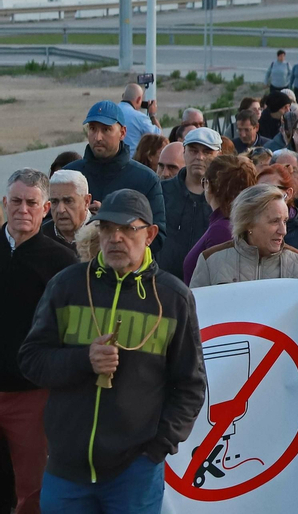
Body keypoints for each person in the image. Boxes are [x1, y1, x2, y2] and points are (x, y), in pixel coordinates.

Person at [18, 189, 205, 514]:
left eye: (127, 229)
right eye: (107, 228)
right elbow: (31, 360)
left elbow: (190, 384)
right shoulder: (67, 285)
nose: (115, 238)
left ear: (150, 234)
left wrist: (157, 447)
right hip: (67, 468)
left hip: (134, 472)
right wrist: (83, 359)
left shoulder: (173, 297)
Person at [1, 168, 79, 514]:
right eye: (16, 201)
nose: (23, 209)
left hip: (33, 395)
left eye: (31, 203)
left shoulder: (62, 262)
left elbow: (72, 330)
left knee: (32, 489)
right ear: (5, 203)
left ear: (45, 208)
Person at [64, 101, 167, 258]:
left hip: (125, 269)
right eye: (93, 129)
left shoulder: (146, 179)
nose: (98, 137)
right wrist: (76, 219)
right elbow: (48, 226)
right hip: (73, 266)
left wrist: (114, 221)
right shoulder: (69, 174)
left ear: (122, 132)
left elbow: (157, 238)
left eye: (106, 129)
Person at [189, 184, 298, 286]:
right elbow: (197, 309)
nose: (283, 231)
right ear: (248, 223)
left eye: (285, 221)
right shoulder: (211, 261)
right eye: (274, 221)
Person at [180, 155, 259, 283]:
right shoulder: (229, 225)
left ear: (208, 185)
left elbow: (221, 285)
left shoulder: (222, 230)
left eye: (203, 181)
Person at [156, 128, 223, 274]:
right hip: (163, 279)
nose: (199, 157)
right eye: (193, 151)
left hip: (207, 280)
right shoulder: (161, 191)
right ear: (184, 152)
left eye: (207, 152)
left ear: (219, 155)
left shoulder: (224, 198)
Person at [44, 170, 94, 248]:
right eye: (54, 202)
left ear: (86, 201)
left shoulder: (103, 235)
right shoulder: (41, 236)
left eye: (68, 201)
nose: (60, 210)